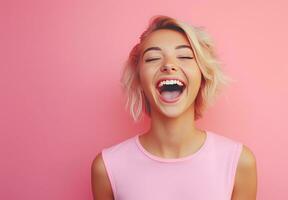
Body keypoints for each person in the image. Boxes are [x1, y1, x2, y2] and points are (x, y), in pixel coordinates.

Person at [91, 15, 257, 200]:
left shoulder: (238, 162)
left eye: (185, 56)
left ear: (203, 75)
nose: (169, 65)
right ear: (139, 80)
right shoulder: (107, 167)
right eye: (153, 58)